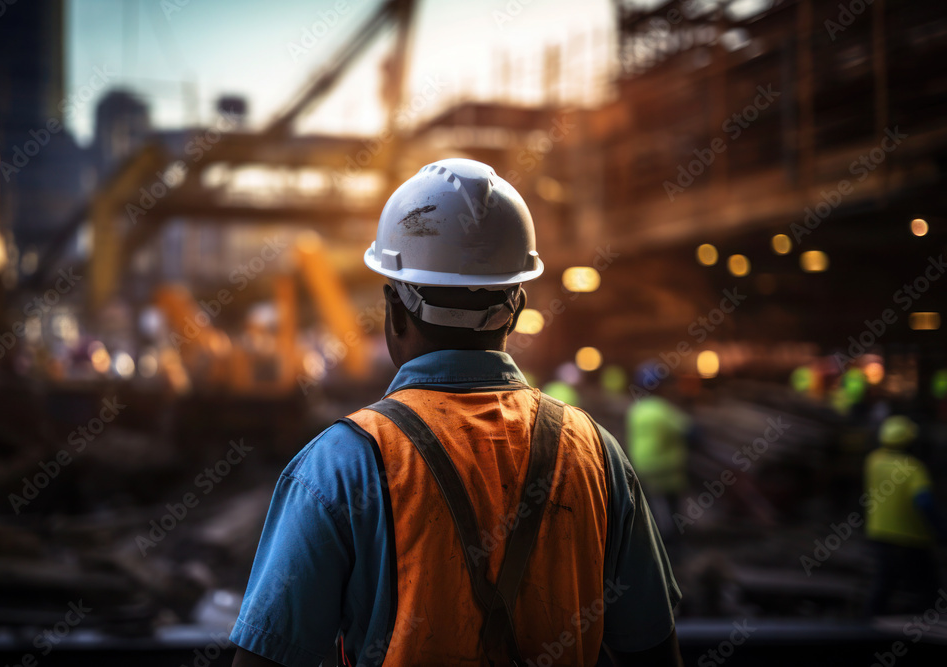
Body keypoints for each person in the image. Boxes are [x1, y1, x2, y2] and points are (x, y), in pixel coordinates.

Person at [230, 159, 683, 666]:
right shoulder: (596, 452)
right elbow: (654, 651)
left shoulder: (341, 464)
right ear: (516, 305)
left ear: (394, 311)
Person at [864, 415, 946, 615]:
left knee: (885, 582)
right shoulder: (914, 469)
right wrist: (941, 530)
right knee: (927, 587)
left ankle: (868, 624)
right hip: (911, 537)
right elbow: (925, 502)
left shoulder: (873, 460)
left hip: (879, 532)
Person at [625, 363, 691, 543]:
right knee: (673, 514)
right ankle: (675, 548)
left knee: (651, 513)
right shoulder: (663, 410)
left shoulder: (636, 410)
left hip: (643, 471)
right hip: (667, 472)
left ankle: (654, 544)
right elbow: (690, 431)